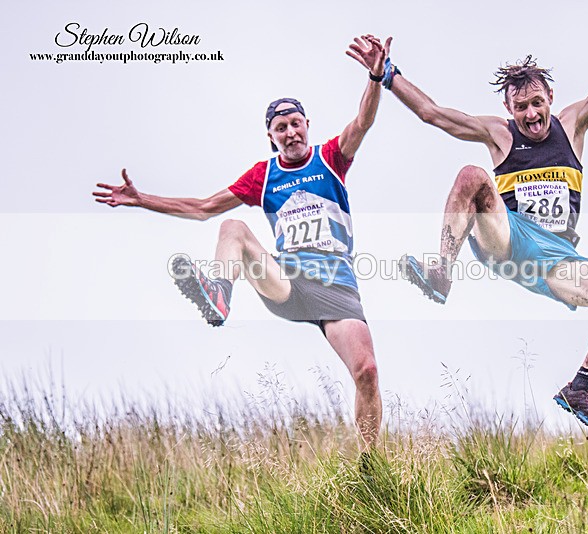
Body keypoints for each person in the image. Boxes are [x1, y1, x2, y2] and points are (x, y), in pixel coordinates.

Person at [352, 1, 588, 436]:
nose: (531, 115)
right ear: (508, 106)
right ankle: (441, 273)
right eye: (521, 108)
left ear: (550, 97)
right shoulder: (499, 134)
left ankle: (581, 387)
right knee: (472, 175)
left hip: (556, 259)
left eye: (537, 103)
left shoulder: (574, 124)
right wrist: (388, 73)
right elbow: (433, 114)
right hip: (508, 237)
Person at [93, 36, 390, 450]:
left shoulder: (331, 158)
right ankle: (219, 294)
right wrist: (142, 199)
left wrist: (376, 76)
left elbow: (363, 121)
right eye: (280, 128)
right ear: (271, 137)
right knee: (232, 226)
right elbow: (202, 207)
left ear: (307, 125)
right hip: (287, 281)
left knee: (368, 372)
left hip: (338, 288)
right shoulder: (263, 176)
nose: (289, 133)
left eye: (295, 124)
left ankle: (369, 466)